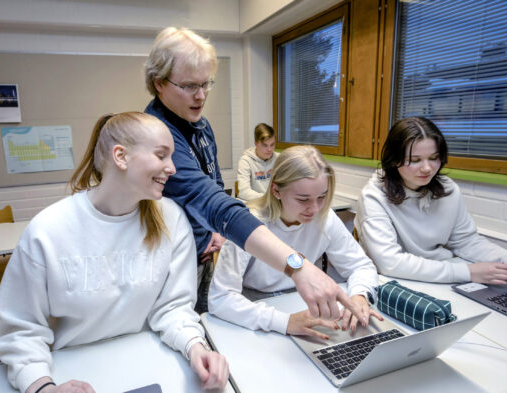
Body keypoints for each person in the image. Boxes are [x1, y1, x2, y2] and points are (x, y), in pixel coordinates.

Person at [144, 26, 366, 323]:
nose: (201, 96)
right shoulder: (158, 136)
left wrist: (213, 230)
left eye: (206, 83)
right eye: (188, 86)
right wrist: (297, 267)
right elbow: (206, 199)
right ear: (159, 83)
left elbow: (214, 185)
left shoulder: (199, 123)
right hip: (173, 263)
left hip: (203, 254)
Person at [0, 112, 229, 393]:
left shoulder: (172, 220)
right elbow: (21, 330)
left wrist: (196, 346)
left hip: (148, 364)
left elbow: (174, 308)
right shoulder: (48, 231)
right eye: (161, 156)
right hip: (72, 373)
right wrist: (42, 387)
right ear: (121, 156)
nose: (172, 168)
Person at [209, 146, 381, 337]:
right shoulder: (247, 223)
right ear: (276, 190)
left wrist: (359, 295)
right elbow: (220, 299)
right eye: (303, 199)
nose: (314, 208)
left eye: (322, 197)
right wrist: (284, 322)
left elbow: (361, 266)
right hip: (257, 311)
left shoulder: (325, 218)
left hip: (303, 303)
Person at [355, 116, 507, 284]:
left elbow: (466, 241)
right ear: (394, 160)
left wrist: (503, 258)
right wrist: (467, 272)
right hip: (396, 281)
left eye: (434, 158)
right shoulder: (374, 196)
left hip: (442, 274)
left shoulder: (448, 189)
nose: (427, 168)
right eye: (415, 160)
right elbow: (390, 263)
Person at [236, 123, 278, 202]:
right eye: (265, 145)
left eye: (272, 145)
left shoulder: (279, 159)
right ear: (256, 144)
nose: (269, 149)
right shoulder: (246, 161)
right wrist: (268, 198)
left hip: (273, 203)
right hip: (254, 203)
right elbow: (244, 192)